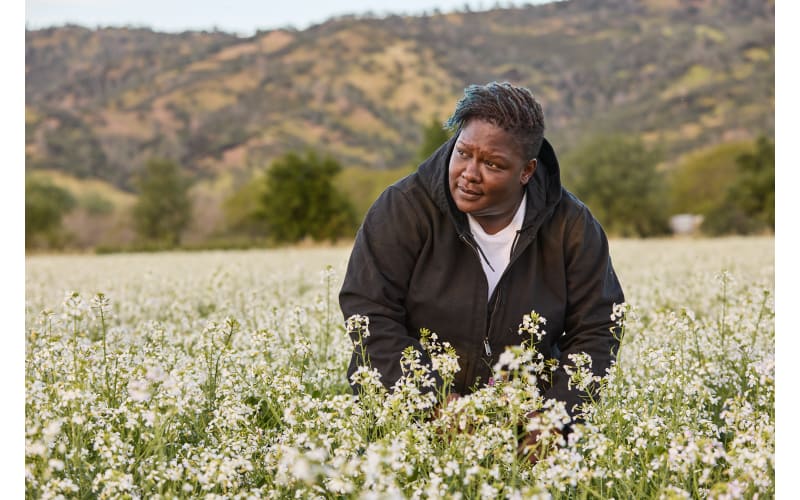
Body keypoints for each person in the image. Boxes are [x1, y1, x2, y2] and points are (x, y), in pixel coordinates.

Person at [339, 82, 624, 460]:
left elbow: (598, 328)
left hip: (524, 432)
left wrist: (556, 417)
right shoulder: (403, 208)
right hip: (408, 420)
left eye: (492, 164)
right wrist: (433, 401)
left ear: (526, 171)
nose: (469, 173)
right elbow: (368, 314)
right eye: (464, 153)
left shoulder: (572, 227)